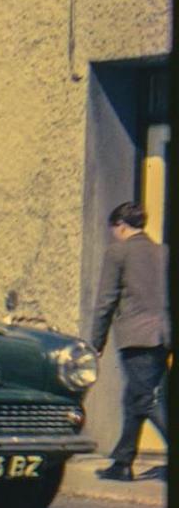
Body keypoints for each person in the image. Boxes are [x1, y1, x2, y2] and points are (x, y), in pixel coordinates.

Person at [89, 201, 168, 481]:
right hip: (162, 336)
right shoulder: (163, 253)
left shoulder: (118, 253)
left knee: (145, 400)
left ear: (121, 226)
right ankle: (122, 462)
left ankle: (122, 463)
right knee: (134, 398)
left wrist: (94, 343)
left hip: (136, 337)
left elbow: (105, 302)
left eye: (114, 230)